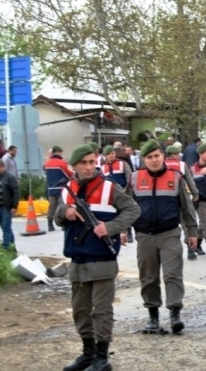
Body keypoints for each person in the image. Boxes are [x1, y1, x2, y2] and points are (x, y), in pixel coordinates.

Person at [56, 144, 141, 371]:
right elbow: (56, 215)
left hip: (102, 257)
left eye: (92, 162)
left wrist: (111, 227)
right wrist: (65, 212)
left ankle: (102, 358)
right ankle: (87, 354)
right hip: (77, 260)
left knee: (101, 311)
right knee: (80, 311)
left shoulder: (109, 188)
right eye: (83, 163)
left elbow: (133, 210)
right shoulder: (67, 189)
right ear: (74, 166)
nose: (88, 167)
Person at [131, 139, 199, 334]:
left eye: (157, 156)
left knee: (172, 274)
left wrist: (192, 233)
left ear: (163, 156)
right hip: (144, 235)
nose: (154, 160)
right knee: (149, 277)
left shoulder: (176, 177)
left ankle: (175, 314)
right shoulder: (135, 179)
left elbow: (186, 209)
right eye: (149, 157)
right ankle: (153, 317)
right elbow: (126, 207)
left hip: (169, 233)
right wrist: (121, 230)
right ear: (144, 159)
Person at [165, 145, 200, 259]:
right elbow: (190, 181)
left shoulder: (162, 165)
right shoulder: (182, 165)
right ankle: (190, 250)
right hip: (182, 197)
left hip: (168, 199)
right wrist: (195, 194)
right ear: (175, 154)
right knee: (186, 222)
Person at [102, 145, 134, 244]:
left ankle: (128, 232)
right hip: (110, 195)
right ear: (105, 156)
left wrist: (127, 190)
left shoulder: (123, 164)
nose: (111, 155)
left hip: (124, 192)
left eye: (112, 153)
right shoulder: (103, 168)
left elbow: (130, 177)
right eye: (108, 154)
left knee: (125, 212)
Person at [0, 158, 20, 250]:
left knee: (6, 227)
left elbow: (16, 192)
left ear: (3, 167)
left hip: (6, 207)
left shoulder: (10, 177)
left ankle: (5, 248)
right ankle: (12, 247)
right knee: (5, 228)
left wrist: (14, 206)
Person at [44, 145, 73, 232]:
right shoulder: (62, 162)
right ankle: (63, 225)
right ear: (58, 152)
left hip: (51, 188)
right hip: (61, 188)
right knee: (62, 206)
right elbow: (69, 175)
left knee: (52, 206)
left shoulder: (47, 163)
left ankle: (50, 224)